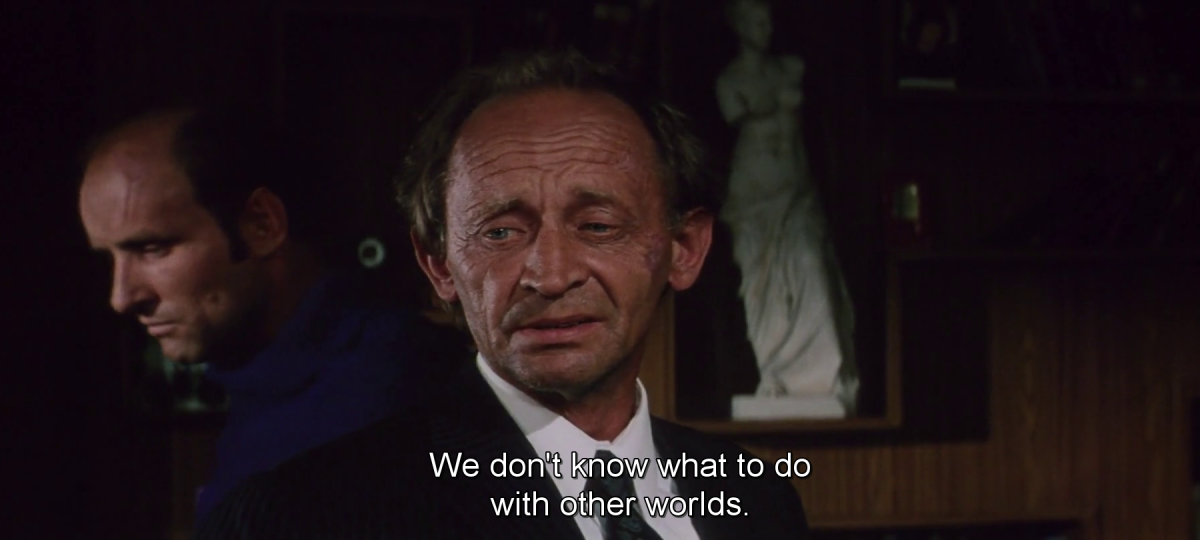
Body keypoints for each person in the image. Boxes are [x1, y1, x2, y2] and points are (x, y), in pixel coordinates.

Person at [196, 51, 810, 539]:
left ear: (685, 248)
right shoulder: (299, 519)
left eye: (597, 226)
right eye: (501, 233)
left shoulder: (758, 501)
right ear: (438, 264)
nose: (551, 275)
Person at [78, 108, 449, 524]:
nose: (121, 297)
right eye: (109, 258)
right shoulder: (264, 380)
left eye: (152, 249)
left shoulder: (390, 394)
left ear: (262, 224)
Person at [715, 0, 857, 413]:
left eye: (769, 20)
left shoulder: (792, 68)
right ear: (739, 26)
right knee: (762, 287)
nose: (767, 28)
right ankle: (774, 373)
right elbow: (734, 115)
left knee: (812, 265)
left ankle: (824, 377)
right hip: (755, 193)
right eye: (758, 21)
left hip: (796, 187)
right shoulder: (730, 81)